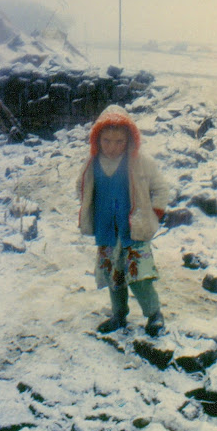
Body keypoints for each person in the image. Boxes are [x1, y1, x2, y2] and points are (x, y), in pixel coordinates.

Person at [77, 104, 169, 336]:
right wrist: (90, 208)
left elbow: (160, 188)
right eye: (107, 141)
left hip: (133, 229)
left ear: (130, 140)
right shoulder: (92, 164)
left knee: (140, 276)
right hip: (107, 230)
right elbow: (82, 187)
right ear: (97, 140)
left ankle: (154, 314)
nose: (112, 147)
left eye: (119, 142)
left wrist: (155, 212)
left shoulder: (140, 162)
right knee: (114, 275)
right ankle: (118, 314)